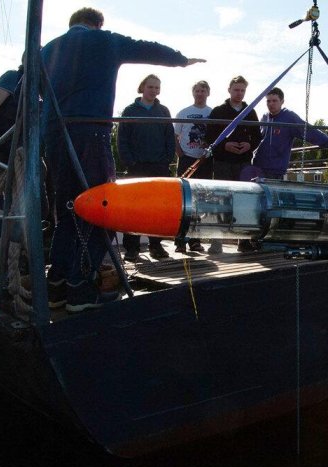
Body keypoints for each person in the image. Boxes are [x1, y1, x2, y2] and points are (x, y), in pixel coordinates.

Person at [41, 7, 204, 312]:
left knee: (67, 207)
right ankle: (81, 289)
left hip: (54, 135)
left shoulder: (48, 49)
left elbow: (35, 88)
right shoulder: (104, 40)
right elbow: (147, 49)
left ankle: (57, 285)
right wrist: (181, 60)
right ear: (97, 24)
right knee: (99, 206)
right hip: (90, 131)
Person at [116, 74, 175, 261]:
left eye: (157, 87)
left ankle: (155, 246)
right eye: (151, 87)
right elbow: (122, 138)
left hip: (159, 167)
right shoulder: (130, 110)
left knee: (157, 209)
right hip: (137, 167)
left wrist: (167, 159)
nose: (154, 91)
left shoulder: (164, 111)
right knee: (134, 209)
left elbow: (169, 137)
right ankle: (132, 248)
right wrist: (129, 161)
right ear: (143, 87)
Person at [205, 75, 262, 253]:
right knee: (220, 200)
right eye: (236, 89)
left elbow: (257, 137)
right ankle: (217, 241)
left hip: (243, 163)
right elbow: (209, 137)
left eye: (242, 90)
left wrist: (249, 145)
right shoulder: (218, 111)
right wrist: (225, 145)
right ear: (229, 90)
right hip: (222, 162)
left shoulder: (251, 112)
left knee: (243, 202)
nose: (239, 93)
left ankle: (243, 241)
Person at [251, 87, 328, 179]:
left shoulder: (289, 118)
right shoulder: (265, 117)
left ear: (282, 102)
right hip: (257, 167)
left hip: (275, 169)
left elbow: (308, 131)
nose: (271, 104)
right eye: (268, 101)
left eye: (274, 101)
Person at [172, 80, 212, 253]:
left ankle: (195, 240)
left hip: (205, 160)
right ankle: (180, 240)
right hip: (187, 159)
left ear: (208, 93)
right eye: (197, 90)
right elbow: (174, 135)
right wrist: (180, 152)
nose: (200, 93)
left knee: (200, 200)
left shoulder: (212, 113)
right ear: (193, 92)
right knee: (182, 199)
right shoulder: (184, 112)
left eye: (203, 90)